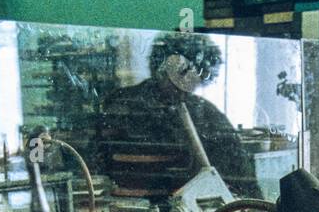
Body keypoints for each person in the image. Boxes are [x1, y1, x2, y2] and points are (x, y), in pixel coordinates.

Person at [97, 32, 260, 200]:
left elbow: (241, 175)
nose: (180, 85)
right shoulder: (121, 104)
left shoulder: (205, 114)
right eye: (179, 72)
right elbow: (96, 164)